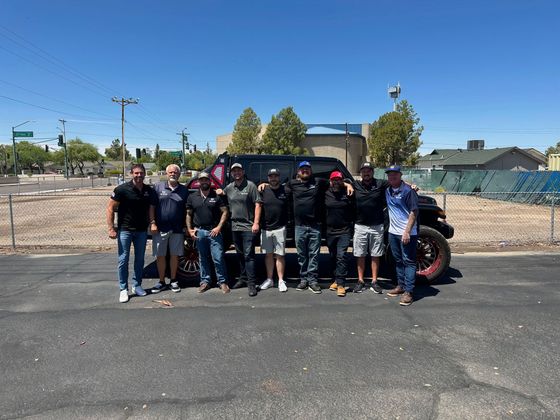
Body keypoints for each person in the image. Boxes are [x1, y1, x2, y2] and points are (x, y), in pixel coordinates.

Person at [281, 161, 353, 294]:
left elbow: (335, 182)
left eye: (307, 169)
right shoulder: (292, 183)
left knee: (314, 255)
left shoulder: (319, 182)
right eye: (302, 169)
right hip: (299, 226)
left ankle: (313, 281)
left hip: (315, 226)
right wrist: (264, 184)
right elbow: (278, 188)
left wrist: (347, 184)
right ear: (298, 172)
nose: (305, 171)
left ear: (311, 170)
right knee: (302, 255)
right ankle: (303, 280)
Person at [106, 164, 157, 303]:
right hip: (125, 230)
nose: (139, 176)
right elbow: (110, 207)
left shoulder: (148, 190)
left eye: (141, 173)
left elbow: (151, 208)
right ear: (131, 174)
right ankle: (123, 289)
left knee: (140, 260)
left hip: (141, 231)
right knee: (123, 259)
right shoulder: (122, 189)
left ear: (145, 174)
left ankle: (137, 285)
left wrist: (152, 223)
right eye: (136, 173)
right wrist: (111, 228)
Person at [186, 172, 230, 293]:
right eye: (202, 180)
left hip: (214, 231)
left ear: (210, 181)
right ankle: (205, 282)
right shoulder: (192, 197)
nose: (204, 182)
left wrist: (219, 227)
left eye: (206, 180)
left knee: (218, 257)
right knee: (203, 258)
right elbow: (189, 214)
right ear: (198, 182)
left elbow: (225, 212)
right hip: (199, 231)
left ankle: (222, 282)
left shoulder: (216, 195)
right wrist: (190, 229)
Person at [222, 163, 262, 297]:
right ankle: (243, 278)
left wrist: (256, 223)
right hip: (235, 226)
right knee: (239, 254)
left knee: (248, 255)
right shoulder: (229, 187)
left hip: (248, 227)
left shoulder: (250, 186)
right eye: (234, 171)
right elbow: (222, 194)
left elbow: (258, 204)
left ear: (243, 171)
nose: (237, 173)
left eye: (239, 170)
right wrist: (216, 190)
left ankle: (251, 283)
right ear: (231, 174)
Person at [352, 162, 391, 294]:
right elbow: (343, 182)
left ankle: (374, 281)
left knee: (375, 254)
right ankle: (360, 281)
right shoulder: (355, 184)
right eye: (364, 171)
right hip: (360, 226)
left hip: (377, 226)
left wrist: (410, 185)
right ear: (360, 173)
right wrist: (346, 184)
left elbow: (395, 182)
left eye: (368, 170)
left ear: (372, 172)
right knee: (360, 254)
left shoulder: (380, 184)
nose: (366, 173)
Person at [150, 164, 189, 294]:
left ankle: (173, 280)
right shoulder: (158, 187)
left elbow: (187, 210)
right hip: (160, 228)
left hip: (177, 229)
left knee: (174, 255)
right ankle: (161, 281)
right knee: (160, 255)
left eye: (176, 172)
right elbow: (152, 207)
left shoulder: (184, 190)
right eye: (171, 172)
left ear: (179, 174)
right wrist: (153, 223)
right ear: (166, 174)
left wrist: (186, 226)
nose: (173, 174)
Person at [384, 165, 419, 306]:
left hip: (407, 233)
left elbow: (414, 212)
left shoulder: (408, 191)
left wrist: (407, 231)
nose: (392, 177)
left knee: (409, 261)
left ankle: (409, 292)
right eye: (390, 174)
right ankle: (401, 286)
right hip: (393, 232)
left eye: (395, 174)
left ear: (400, 175)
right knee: (398, 260)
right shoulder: (388, 190)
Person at [255, 168, 289, 292]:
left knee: (280, 255)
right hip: (266, 228)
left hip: (280, 228)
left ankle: (280, 280)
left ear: (279, 177)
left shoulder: (285, 190)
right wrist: (256, 223)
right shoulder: (263, 190)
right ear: (268, 178)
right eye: (271, 176)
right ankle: (269, 280)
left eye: (275, 176)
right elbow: (258, 206)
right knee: (268, 255)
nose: (273, 178)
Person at [325, 171, 355, 297]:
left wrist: (349, 185)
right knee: (333, 256)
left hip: (344, 230)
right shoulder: (325, 192)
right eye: (334, 180)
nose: (336, 182)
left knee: (341, 256)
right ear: (330, 181)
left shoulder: (348, 193)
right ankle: (336, 280)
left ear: (342, 180)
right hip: (330, 230)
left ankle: (341, 284)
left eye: (338, 179)